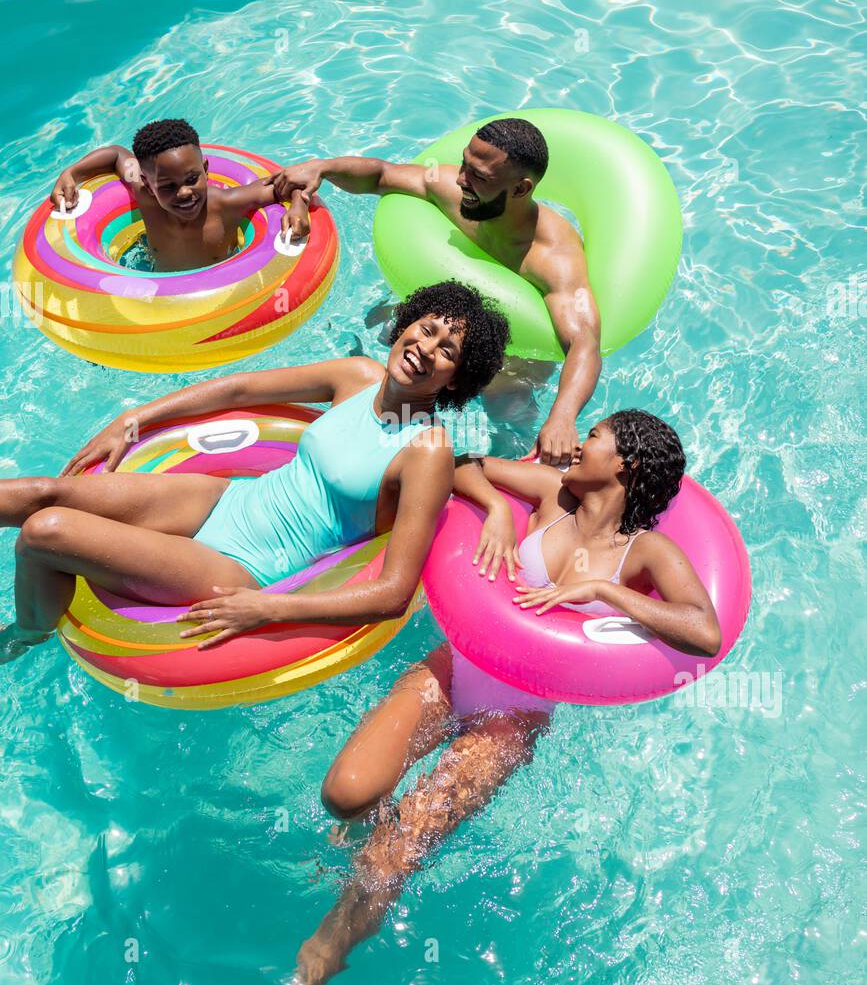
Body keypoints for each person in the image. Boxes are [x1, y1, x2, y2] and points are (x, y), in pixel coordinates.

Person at [206, 409, 721, 985]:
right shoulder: (549, 494)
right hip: (455, 669)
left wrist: (602, 590)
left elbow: (701, 629)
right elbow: (461, 469)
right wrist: (498, 514)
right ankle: (354, 851)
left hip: (512, 715)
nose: (580, 444)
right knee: (345, 795)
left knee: (389, 860)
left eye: (593, 437)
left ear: (623, 462)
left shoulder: (645, 552)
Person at [0, 282, 509, 662]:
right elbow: (240, 389)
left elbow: (394, 594)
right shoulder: (358, 376)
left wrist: (268, 609)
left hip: (245, 565)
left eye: (447, 351)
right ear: (408, 325)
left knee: (47, 532)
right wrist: (131, 421)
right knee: (43, 493)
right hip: (227, 499)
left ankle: (26, 637)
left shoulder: (427, 449)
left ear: (457, 379)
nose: (426, 348)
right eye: (427, 329)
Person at [267, 117, 602, 465]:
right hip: (442, 327)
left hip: (509, 360)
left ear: (520, 189)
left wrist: (562, 417)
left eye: (479, 177)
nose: (460, 180)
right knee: (381, 328)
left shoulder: (553, 257)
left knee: (509, 414)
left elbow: (584, 342)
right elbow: (382, 175)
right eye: (463, 165)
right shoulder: (453, 189)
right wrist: (322, 167)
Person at [49, 117, 310, 273]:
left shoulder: (226, 204)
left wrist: (298, 204)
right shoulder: (144, 195)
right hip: (156, 285)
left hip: (222, 291)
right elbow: (116, 154)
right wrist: (72, 173)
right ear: (148, 184)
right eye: (167, 186)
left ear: (205, 170)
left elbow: (284, 184)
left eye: (192, 179)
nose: (184, 192)